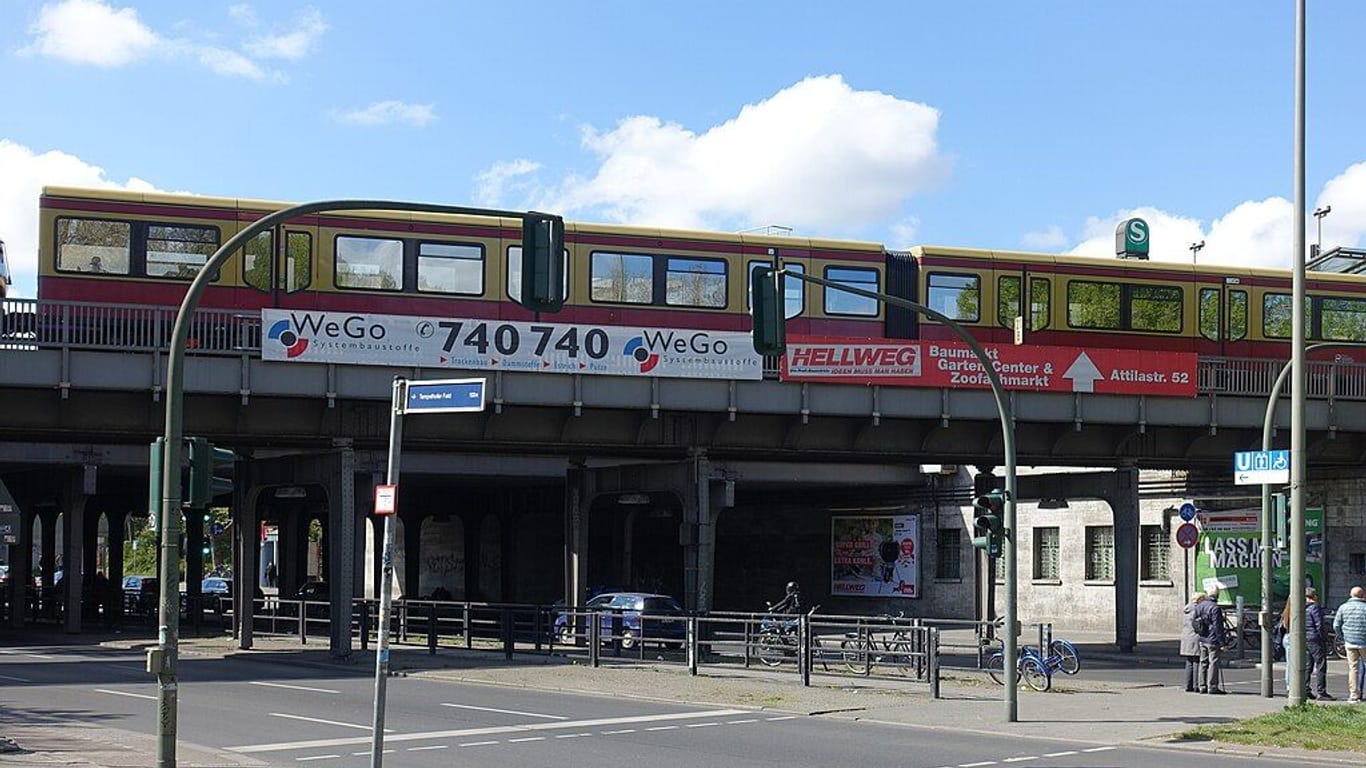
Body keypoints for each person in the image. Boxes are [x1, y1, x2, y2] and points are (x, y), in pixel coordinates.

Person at [1334, 586, 1366, 702]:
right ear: (1363, 595)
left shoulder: (1343, 607)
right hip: (1364, 642)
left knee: (1353, 668)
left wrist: (1343, 637)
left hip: (1350, 642)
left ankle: (1353, 695)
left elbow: (1336, 625)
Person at [1195, 585, 1227, 694]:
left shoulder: (1200, 605)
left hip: (1202, 638)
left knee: (1203, 662)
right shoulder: (1215, 607)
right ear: (1217, 594)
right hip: (1212, 639)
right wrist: (1222, 642)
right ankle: (1212, 686)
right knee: (1213, 662)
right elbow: (1218, 626)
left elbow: (1195, 622)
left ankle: (1202, 685)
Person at [1305, 587, 1333, 700]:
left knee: (1308, 665)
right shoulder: (1315, 607)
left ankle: (1305, 688)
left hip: (1305, 638)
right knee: (1321, 665)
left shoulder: (1302, 607)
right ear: (1315, 596)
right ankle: (1321, 691)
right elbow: (1319, 625)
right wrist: (1324, 638)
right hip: (1315, 639)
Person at [1180, 592, 1206, 693]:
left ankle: (1188, 685)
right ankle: (1196, 686)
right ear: (1199, 600)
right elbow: (1200, 624)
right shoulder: (1198, 610)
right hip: (1195, 637)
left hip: (1186, 637)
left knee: (1189, 662)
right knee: (1197, 661)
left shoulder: (1187, 609)